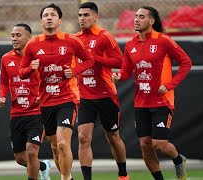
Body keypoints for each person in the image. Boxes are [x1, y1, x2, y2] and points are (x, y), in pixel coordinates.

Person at [112, 6, 192, 180]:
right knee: (145, 145)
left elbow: (186, 62)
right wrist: (118, 76)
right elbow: (126, 71)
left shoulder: (164, 41)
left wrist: (170, 84)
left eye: (141, 16)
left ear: (151, 21)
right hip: (141, 102)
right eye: (135, 16)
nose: (136, 19)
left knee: (159, 144)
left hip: (162, 101)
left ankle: (178, 160)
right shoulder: (131, 44)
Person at [19, 3, 95, 180]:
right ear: (41, 21)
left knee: (62, 143)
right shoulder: (33, 45)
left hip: (67, 99)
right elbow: (22, 72)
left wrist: (74, 71)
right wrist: (30, 68)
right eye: (45, 15)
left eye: (52, 14)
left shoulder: (71, 40)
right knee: (54, 146)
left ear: (59, 20)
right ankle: (67, 176)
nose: (49, 17)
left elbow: (89, 60)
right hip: (46, 102)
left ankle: (65, 178)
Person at [75, 2, 128, 180]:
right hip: (85, 96)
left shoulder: (104, 36)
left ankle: (123, 175)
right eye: (80, 15)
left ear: (96, 17)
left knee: (113, 137)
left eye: (86, 15)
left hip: (106, 95)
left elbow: (119, 62)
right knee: (83, 137)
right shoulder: (74, 39)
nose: (82, 18)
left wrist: (95, 58)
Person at [0, 23, 51, 180]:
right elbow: (3, 82)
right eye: (12, 35)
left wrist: (43, 95)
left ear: (29, 37)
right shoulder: (6, 58)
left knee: (31, 151)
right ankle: (43, 166)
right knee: (21, 159)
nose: (14, 38)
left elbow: (50, 80)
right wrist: (2, 96)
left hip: (37, 113)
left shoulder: (39, 58)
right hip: (16, 114)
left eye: (18, 35)